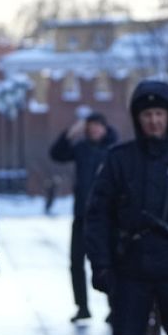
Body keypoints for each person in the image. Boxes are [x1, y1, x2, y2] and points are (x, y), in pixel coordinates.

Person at [85, 80, 168, 335]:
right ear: (137, 118)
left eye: (159, 114)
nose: (154, 121)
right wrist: (101, 265)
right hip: (129, 275)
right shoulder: (118, 160)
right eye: (147, 115)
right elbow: (98, 216)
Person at [50, 111, 117, 322]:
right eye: (90, 127)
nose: (93, 131)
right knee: (76, 263)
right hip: (82, 216)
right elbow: (57, 154)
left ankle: (114, 306)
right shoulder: (81, 148)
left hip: (108, 218)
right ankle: (82, 306)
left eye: (97, 126)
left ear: (104, 128)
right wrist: (70, 133)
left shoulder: (114, 150)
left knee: (110, 263)